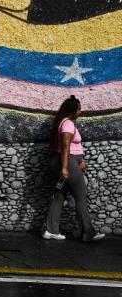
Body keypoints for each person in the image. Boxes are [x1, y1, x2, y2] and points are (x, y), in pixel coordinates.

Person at [43, 95, 105, 242]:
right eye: (79, 109)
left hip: (70, 161)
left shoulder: (64, 122)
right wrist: (65, 167)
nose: (80, 112)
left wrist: (81, 160)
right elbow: (65, 146)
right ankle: (87, 232)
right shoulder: (68, 124)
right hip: (67, 162)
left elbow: (73, 146)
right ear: (73, 110)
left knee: (59, 196)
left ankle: (50, 230)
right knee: (81, 196)